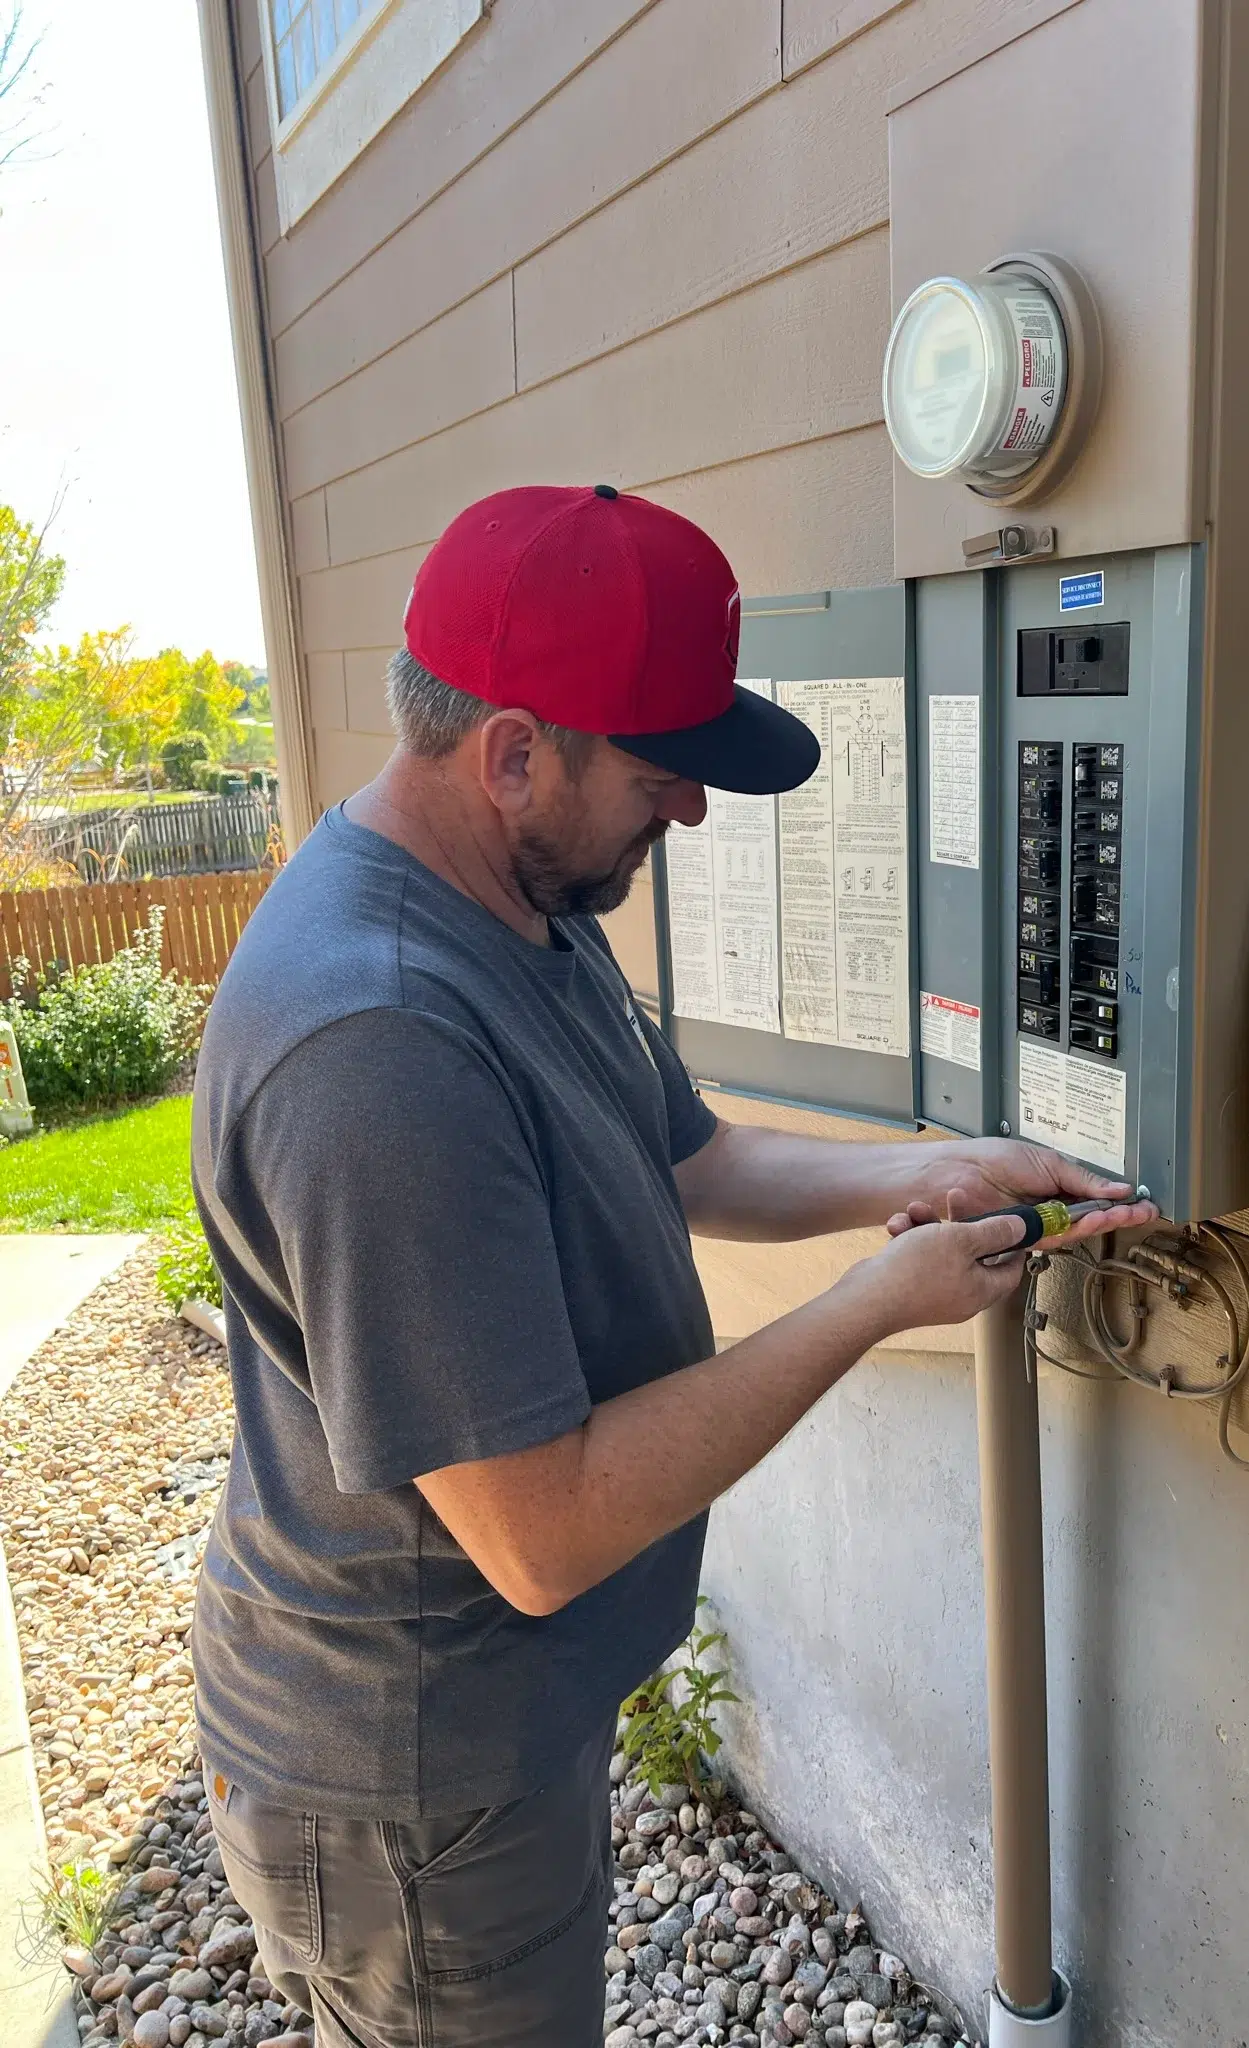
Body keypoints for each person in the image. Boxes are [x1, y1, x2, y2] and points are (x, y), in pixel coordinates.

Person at [189, 484, 1154, 2048]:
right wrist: (874, 1305)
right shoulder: (378, 1047)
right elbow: (544, 1532)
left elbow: (690, 1158)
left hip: (496, 1723)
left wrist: (934, 1169)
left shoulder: (518, 898)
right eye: (659, 771)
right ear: (514, 753)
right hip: (410, 1780)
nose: (691, 811)